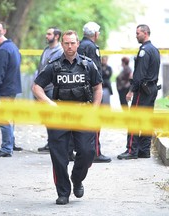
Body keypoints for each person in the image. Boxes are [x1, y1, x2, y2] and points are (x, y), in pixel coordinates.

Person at [32, 30, 103, 205]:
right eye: (66, 43)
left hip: (83, 113)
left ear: (78, 44)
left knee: (87, 152)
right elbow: (36, 87)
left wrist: (94, 109)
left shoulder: (88, 65)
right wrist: (49, 103)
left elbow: (98, 88)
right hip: (59, 115)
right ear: (62, 44)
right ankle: (63, 192)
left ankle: (77, 179)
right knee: (59, 156)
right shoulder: (54, 65)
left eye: (72, 43)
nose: (70, 46)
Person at [117, 24, 160, 160]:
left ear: (145, 33)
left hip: (143, 90)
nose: (136, 36)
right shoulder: (154, 50)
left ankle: (131, 150)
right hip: (152, 89)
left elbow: (139, 75)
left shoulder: (144, 50)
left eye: (138, 33)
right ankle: (144, 150)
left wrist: (131, 91)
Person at [77, 21, 111, 163]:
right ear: (95, 34)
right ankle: (95, 153)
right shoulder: (92, 47)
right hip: (91, 91)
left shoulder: (79, 46)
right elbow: (95, 70)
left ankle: (78, 151)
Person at [0, 28, 22, 157]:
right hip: (12, 88)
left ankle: (7, 148)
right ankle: (9, 145)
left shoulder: (3, 50)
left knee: (3, 118)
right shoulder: (13, 47)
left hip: (5, 89)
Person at [35, 27, 63, 153]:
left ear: (56, 36)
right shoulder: (46, 50)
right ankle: (50, 142)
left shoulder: (60, 51)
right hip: (42, 88)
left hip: (52, 88)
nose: (46, 36)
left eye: (49, 34)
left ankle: (56, 143)